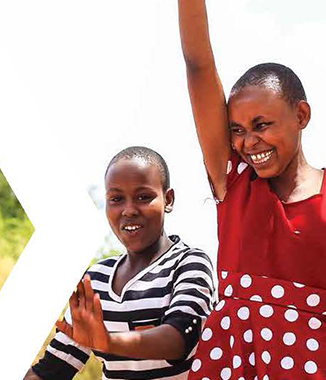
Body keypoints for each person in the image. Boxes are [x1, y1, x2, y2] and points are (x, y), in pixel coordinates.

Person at [176, 0, 326, 378]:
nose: (248, 142)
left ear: (301, 115)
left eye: (262, 125)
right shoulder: (234, 182)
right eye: (237, 131)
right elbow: (197, 62)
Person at [24, 147, 216, 380]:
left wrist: (109, 341)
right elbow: (53, 370)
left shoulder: (189, 263)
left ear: (168, 199)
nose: (129, 210)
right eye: (116, 199)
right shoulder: (95, 279)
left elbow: (180, 338)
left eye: (144, 197)